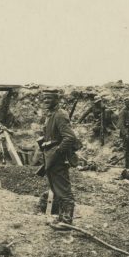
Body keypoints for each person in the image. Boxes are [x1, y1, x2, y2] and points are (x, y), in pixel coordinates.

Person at [39, 89, 79, 227]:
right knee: (56, 189)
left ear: (56, 99)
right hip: (51, 157)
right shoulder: (50, 115)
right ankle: (61, 218)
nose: (46, 101)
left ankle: (67, 221)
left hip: (58, 158)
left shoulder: (60, 115)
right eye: (44, 98)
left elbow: (69, 138)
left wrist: (57, 152)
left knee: (63, 190)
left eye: (49, 98)